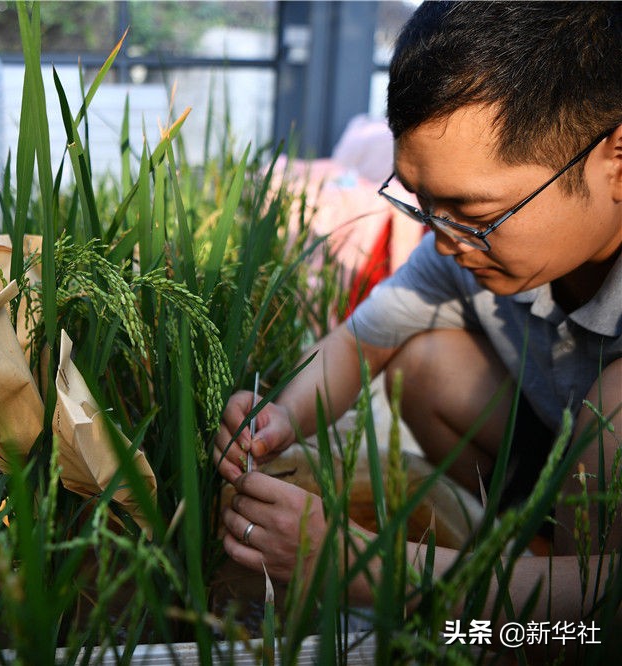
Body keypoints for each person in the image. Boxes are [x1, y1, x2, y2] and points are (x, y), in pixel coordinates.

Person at [215, 0, 621, 651]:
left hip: (602, 494)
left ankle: (544, 629)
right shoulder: (462, 247)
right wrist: (279, 418)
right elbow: (360, 341)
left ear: (615, 159)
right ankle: (530, 560)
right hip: (555, 468)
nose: (443, 235)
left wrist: (357, 564)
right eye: (421, 201)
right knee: (421, 360)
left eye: (471, 209)